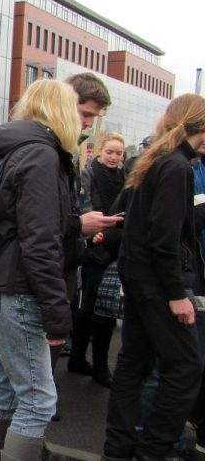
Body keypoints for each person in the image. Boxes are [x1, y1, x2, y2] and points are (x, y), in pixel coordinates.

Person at [0, 79, 81, 459]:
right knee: (37, 399)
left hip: (0, 283)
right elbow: (40, 240)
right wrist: (56, 314)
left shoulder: (14, 152)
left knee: (4, 387)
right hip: (17, 288)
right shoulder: (42, 157)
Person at [103, 94, 205, 461]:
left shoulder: (156, 161)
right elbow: (163, 237)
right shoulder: (175, 167)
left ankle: (118, 450)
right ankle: (154, 449)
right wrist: (176, 292)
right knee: (186, 365)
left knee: (134, 362)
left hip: (140, 277)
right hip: (157, 283)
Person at [68, 132, 126, 388]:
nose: (114, 157)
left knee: (106, 309)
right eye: (110, 152)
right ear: (101, 151)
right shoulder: (89, 174)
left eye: (118, 153)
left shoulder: (124, 178)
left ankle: (98, 362)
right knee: (91, 305)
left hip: (115, 247)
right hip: (95, 244)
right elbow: (86, 206)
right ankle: (80, 357)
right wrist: (95, 233)